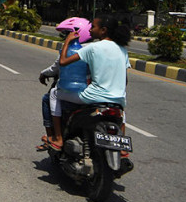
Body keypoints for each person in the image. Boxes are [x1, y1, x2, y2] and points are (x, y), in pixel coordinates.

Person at [51, 15, 131, 150]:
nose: (90, 30)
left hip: (93, 98)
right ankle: (121, 147)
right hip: (118, 100)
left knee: (54, 94)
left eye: (93, 27)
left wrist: (67, 41)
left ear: (103, 30)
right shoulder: (123, 50)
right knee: (121, 114)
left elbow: (63, 61)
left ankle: (58, 138)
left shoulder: (93, 48)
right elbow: (125, 80)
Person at [38, 20, 91, 150]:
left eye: (67, 33)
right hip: (92, 91)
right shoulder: (93, 48)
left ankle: (54, 136)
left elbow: (56, 67)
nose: (65, 36)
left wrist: (43, 74)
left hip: (76, 92)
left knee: (48, 98)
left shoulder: (71, 49)